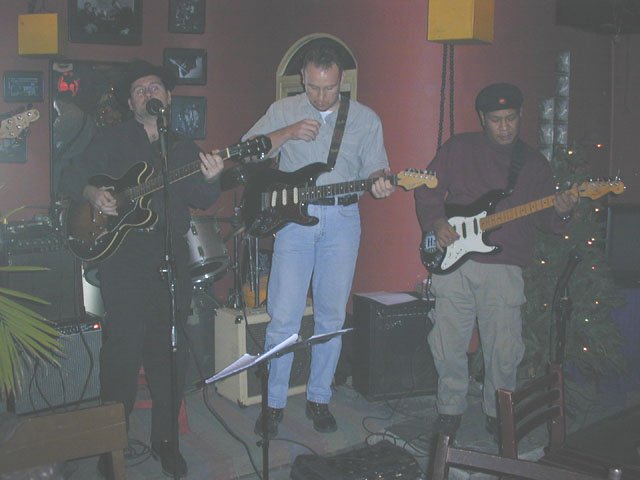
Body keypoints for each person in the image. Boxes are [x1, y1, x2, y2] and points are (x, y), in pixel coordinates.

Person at [64, 60, 224, 478]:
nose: (148, 93)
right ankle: (110, 445)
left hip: (170, 259)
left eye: (155, 87)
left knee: (169, 354)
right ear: (130, 102)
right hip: (124, 259)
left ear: (168, 97)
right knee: (122, 352)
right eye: (139, 90)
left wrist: (213, 177)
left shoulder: (183, 148)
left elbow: (203, 198)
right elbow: (70, 174)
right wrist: (93, 193)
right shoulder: (111, 139)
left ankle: (166, 442)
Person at [243, 44, 395, 438]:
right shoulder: (284, 109)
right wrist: (287, 132)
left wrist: (381, 182)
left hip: (343, 219)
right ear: (303, 78)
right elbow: (248, 152)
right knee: (284, 316)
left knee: (332, 316)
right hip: (294, 222)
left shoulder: (365, 119)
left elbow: (376, 167)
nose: (321, 96)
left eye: (329, 88)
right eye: (313, 87)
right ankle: (273, 403)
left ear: (342, 80)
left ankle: (319, 397)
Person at [414, 82, 578, 441]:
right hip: (454, 264)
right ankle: (449, 409)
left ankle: (498, 412)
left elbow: (547, 221)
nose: (505, 127)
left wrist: (562, 211)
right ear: (482, 119)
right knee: (447, 343)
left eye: (511, 119)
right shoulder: (459, 148)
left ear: (521, 116)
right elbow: (427, 188)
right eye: (496, 120)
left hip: (505, 266)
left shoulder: (534, 164)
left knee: (504, 350)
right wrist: (437, 222)